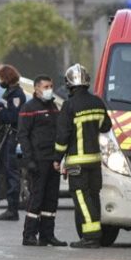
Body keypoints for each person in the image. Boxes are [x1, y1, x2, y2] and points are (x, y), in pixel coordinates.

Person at [54, 64, 112, 249]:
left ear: (69, 84)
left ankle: (91, 236)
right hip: (95, 160)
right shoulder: (97, 102)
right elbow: (106, 126)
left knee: (81, 196)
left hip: (76, 161)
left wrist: (57, 158)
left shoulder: (69, 105)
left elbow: (62, 136)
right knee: (93, 196)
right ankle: (94, 234)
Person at [18, 75, 67, 247]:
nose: (49, 89)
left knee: (51, 198)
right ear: (37, 88)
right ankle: (29, 235)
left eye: (51, 86)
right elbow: (23, 135)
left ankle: (47, 235)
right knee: (37, 198)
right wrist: (29, 160)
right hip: (38, 160)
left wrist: (59, 157)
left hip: (52, 159)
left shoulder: (53, 107)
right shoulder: (29, 108)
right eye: (46, 87)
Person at [0, 64, 26, 221]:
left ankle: (12, 209)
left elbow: (12, 117)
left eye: (1, 78)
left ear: (7, 78)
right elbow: (7, 110)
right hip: (2, 136)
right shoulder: (9, 92)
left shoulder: (16, 94)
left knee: (10, 173)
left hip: (9, 137)